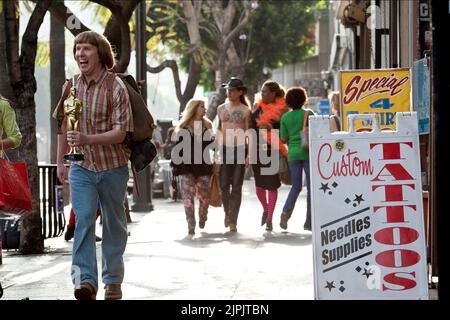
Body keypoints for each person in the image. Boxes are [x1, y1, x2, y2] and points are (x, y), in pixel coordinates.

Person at [54, 31, 133, 300]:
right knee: (84, 221)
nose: (80, 54)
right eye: (77, 49)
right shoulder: (70, 86)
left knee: (114, 224)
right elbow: (62, 127)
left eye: (86, 49)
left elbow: (121, 132)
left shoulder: (115, 87)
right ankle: (85, 281)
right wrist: (61, 162)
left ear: (99, 53)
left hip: (113, 166)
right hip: (81, 167)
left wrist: (88, 138)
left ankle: (112, 280)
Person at [171, 99, 214, 235]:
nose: (204, 109)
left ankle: (203, 215)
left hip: (203, 166)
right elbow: (177, 147)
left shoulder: (207, 125)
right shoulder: (183, 127)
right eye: (202, 107)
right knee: (187, 197)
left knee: (205, 197)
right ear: (194, 108)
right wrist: (175, 164)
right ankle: (191, 223)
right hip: (186, 167)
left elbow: (213, 146)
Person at [250, 81, 289, 231]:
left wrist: (271, 127)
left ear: (273, 93)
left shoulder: (283, 109)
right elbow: (251, 130)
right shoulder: (257, 107)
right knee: (259, 187)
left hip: (273, 149)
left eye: (265, 91)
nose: (263, 94)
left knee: (272, 186)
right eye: (261, 91)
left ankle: (270, 219)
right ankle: (266, 209)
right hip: (257, 149)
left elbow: (284, 132)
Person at [217, 78, 251, 232]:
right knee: (223, 185)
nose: (229, 92)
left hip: (240, 149)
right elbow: (218, 130)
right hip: (224, 149)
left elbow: (249, 133)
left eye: (232, 90)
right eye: (227, 90)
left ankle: (233, 221)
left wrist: (249, 155)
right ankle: (227, 213)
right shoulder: (221, 109)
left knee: (236, 186)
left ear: (240, 92)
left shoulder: (246, 110)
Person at [279, 87, 314, 231]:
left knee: (296, 187)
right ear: (303, 99)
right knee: (311, 188)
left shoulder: (285, 117)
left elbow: (283, 138)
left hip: (292, 154)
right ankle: (309, 222)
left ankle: (285, 212)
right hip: (307, 153)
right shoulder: (309, 113)